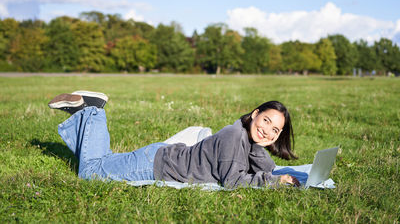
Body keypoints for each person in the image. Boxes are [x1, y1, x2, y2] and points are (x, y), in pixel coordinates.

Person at [48, 91, 300, 188]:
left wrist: (260, 145)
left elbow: (268, 168)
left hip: (161, 156)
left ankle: (86, 111)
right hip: (156, 165)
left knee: (104, 161)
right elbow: (233, 182)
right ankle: (92, 110)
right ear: (255, 114)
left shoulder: (246, 137)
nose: (268, 130)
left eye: (275, 130)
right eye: (266, 121)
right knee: (90, 172)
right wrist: (274, 183)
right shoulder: (235, 137)